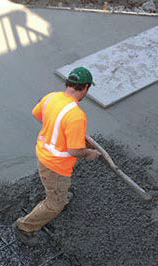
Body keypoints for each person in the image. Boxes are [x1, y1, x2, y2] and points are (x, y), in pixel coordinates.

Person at [14, 67, 101, 246]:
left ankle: (60, 194)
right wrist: (90, 153)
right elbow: (75, 151)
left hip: (44, 154)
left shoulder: (51, 97)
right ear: (85, 87)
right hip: (55, 166)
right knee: (55, 204)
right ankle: (24, 227)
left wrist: (57, 128)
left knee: (58, 188)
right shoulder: (76, 116)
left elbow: (36, 113)